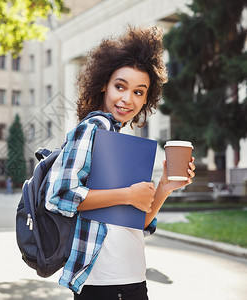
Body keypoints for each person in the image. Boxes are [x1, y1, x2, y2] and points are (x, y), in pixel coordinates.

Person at [45, 26, 196, 299]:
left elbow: (135, 222)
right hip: (102, 284)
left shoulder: (122, 138)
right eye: (120, 86)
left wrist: (163, 187)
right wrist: (127, 194)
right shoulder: (91, 129)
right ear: (104, 83)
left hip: (133, 279)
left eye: (139, 92)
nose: (128, 99)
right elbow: (60, 195)